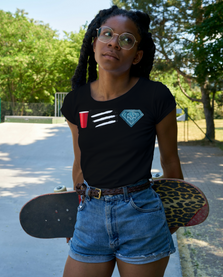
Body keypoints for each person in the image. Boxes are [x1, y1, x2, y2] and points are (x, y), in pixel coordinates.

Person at [60, 5, 184, 277]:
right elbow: (80, 163)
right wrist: (75, 215)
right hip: (90, 214)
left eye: (126, 39)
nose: (114, 43)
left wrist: (172, 217)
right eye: (107, 34)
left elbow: (170, 161)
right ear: (95, 42)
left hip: (142, 215)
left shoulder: (156, 96)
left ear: (137, 55)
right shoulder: (75, 102)